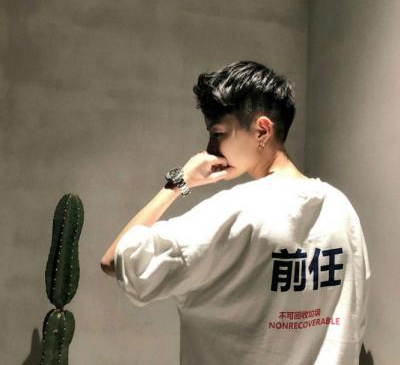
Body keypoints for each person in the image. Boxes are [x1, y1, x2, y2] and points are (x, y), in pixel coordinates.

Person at [100, 60, 371, 365]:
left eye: (218, 133)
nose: (210, 148)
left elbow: (115, 260)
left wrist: (179, 182)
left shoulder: (234, 211)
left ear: (262, 130)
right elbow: (354, 317)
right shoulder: (341, 209)